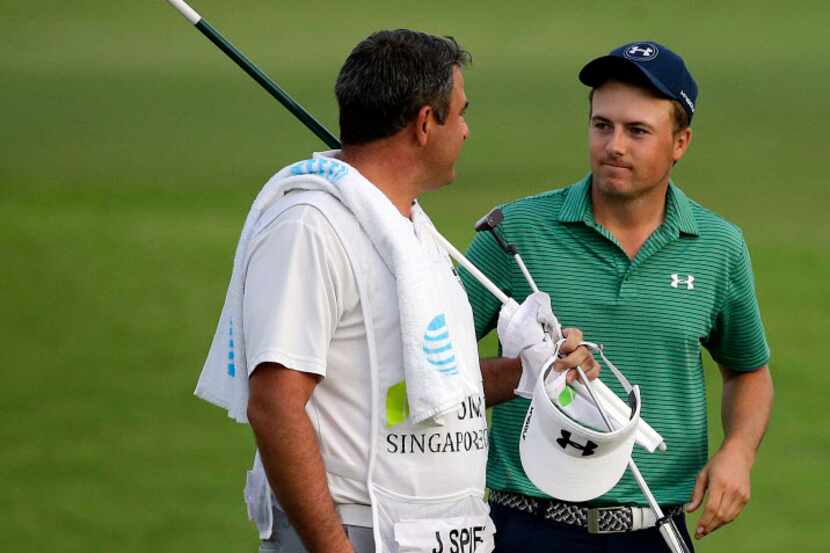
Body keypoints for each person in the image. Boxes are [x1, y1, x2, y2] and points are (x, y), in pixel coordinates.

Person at [194, 29, 598, 553]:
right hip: (358, 530)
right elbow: (274, 405)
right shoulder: (310, 226)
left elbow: (424, 384)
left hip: (435, 533)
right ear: (426, 123)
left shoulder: (407, 228)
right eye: (461, 113)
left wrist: (531, 372)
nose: (468, 131)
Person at [460, 41, 774, 552]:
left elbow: (748, 372)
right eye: (602, 125)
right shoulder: (514, 231)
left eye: (638, 131)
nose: (614, 146)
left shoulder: (719, 247)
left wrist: (738, 452)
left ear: (681, 142)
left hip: (654, 530)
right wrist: (523, 373)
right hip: (525, 526)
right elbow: (435, 367)